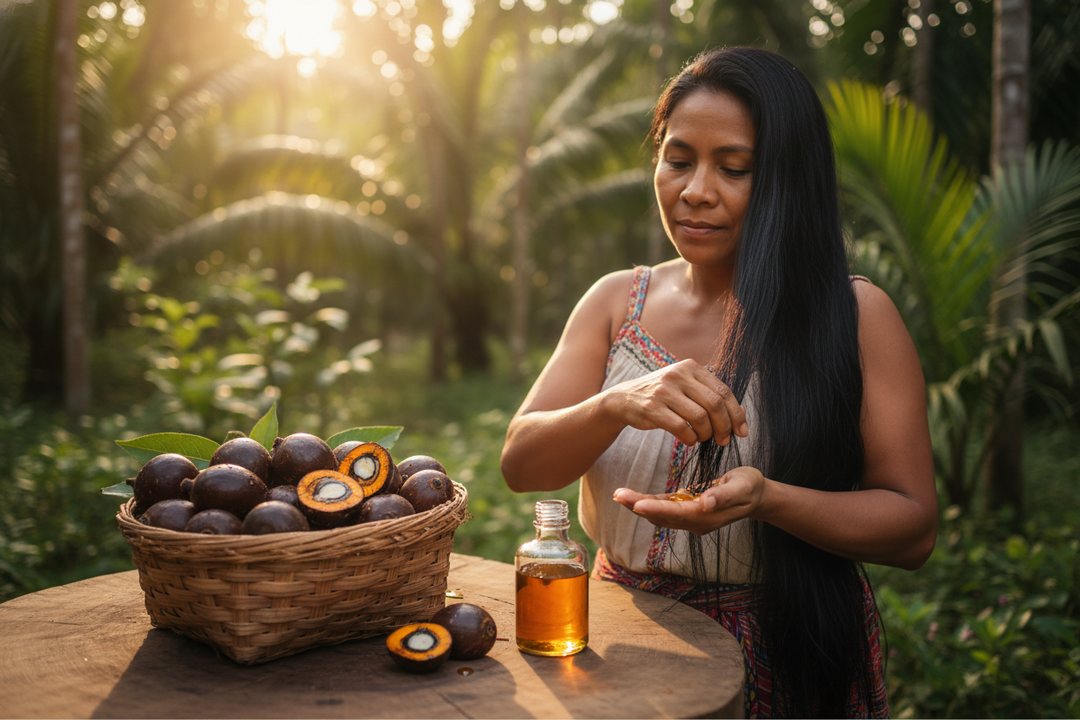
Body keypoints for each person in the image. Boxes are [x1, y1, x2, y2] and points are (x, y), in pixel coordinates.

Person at [500, 46, 938, 718]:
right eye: (678, 160)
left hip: (792, 654)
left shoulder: (853, 318)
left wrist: (767, 499)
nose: (695, 190)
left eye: (734, 169)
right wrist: (618, 402)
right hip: (619, 646)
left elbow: (912, 528)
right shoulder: (618, 302)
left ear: (788, 182)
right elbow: (522, 462)